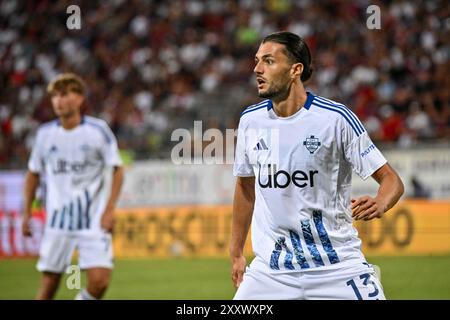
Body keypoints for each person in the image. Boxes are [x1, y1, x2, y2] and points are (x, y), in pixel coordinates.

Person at [230, 32, 404, 300]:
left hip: (337, 268)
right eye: (256, 61)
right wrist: (236, 252)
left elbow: (391, 179)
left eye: (268, 61)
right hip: (271, 272)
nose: (257, 69)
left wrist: (381, 202)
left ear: (295, 69)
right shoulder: (250, 121)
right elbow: (245, 186)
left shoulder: (335, 119)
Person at [22, 73, 124, 300]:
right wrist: (26, 213)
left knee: (99, 282)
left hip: (93, 220)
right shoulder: (45, 135)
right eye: (55, 96)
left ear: (79, 99)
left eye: (64, 94)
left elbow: (117, 169)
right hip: (58, 221)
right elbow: (33, 174)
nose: (58, 101)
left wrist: (109, 210)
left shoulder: (98, 131)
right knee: (49, 286)